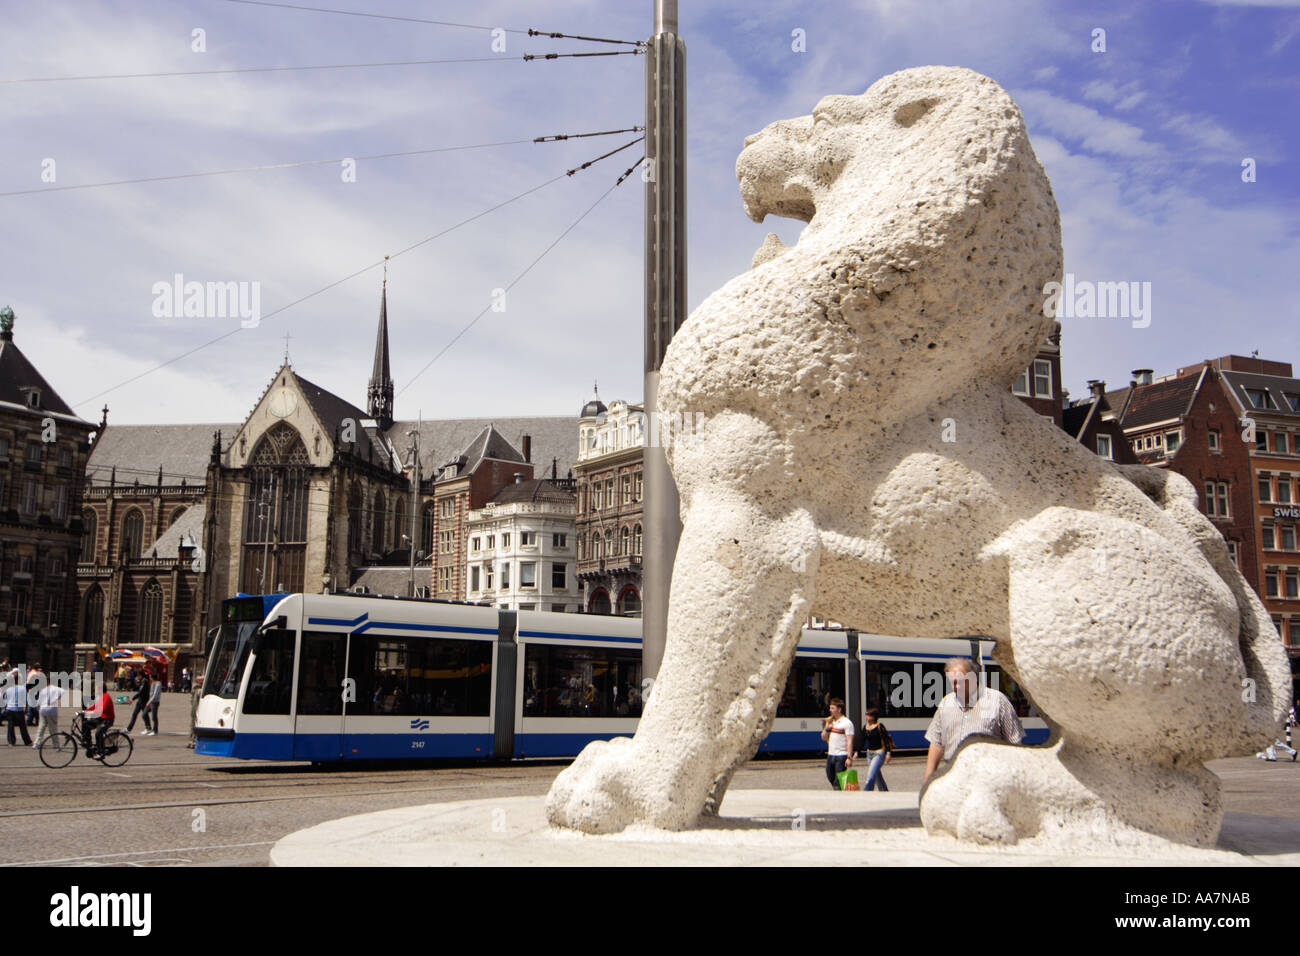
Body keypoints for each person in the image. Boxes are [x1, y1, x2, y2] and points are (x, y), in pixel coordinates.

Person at [923, 657, 1024, 783]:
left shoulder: (998, 701)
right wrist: (928, 779)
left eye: (961, 681)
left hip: (987, 776)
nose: (957, 686)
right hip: (952, 776)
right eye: (953, 682)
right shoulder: (946, 703)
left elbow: (1014, 743)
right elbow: (936, 743)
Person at [821, 697, 855, 789]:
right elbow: (824, 738)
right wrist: (827, 728)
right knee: (830, 776)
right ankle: (841, 790)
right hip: (831, 754)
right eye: (830, 708)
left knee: (837, 781)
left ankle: (839, 795)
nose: (830, 710)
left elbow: (850, 741)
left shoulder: (847, 723)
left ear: (839, 709)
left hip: (841, 756)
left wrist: (849, 757)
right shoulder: (830, 722)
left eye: (832, 708)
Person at [859, 707, 893, 791]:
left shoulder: (879, 726)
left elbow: (886, 740)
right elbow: (862, 741)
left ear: (874, 716)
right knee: (877, 775)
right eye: (866, 714)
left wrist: (888, 753)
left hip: (879, 753)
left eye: (869, 715)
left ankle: (866, 793)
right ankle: (884, 791)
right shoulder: (865, 727)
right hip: (869, 754)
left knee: (871, 776)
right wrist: (857, 752)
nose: (867, 716)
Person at [83, 688, 116, 755]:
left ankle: (101, 751)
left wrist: (93, 712)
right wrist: (85, 711)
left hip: (107, 719)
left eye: (96, 689)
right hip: (100, 718)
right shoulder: (100, 697)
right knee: (85, 724)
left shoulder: (106, 696)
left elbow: (104, 708)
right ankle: (89, 743)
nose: (95, 690)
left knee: (98, 732)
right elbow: (95, 706)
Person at [3, 671, 32, 746]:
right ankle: (27, 741)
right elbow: (26, 699)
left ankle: (11, 741)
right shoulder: (23, 688)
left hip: (10, 708)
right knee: (22, 726)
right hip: (19, 709)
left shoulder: (8, 689)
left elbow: (5, 700)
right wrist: (25, 708)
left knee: (10, 726)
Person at [34, 678, 65, 750]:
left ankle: (36, 743)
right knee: (53, 727)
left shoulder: (43, 690)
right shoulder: (56, 689)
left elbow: (38, 702)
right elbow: (63, 692)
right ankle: (56, 744)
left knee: (41, 727)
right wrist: (57, 698)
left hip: (42, 709)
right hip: (52, 709)